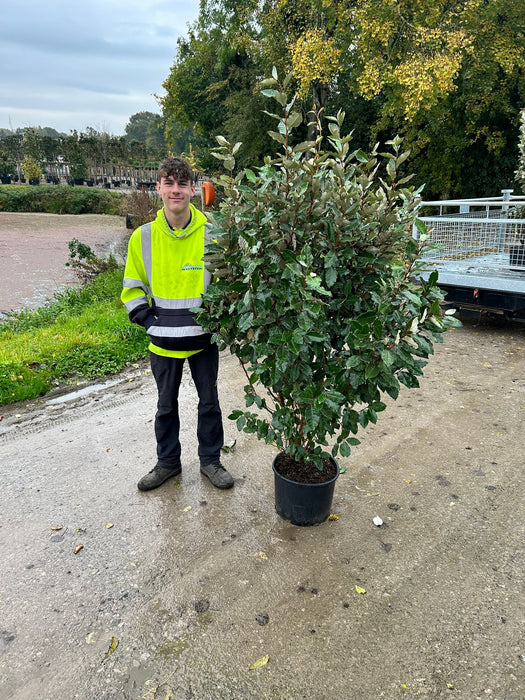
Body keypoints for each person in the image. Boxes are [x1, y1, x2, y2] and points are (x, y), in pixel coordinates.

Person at [121, 157, 234, 491]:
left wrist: (218, 319)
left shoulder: (214, 234)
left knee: (209, 403)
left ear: (193, 190)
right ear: (158, 188)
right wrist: (150, 322)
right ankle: (167, 463)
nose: (176, 191)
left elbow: (229, 282)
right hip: (162, 342)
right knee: (165, 406)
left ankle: (211, 462)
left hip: (203, 340)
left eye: (182, 184)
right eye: (168, 183)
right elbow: (132, 288)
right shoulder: (142, 238)